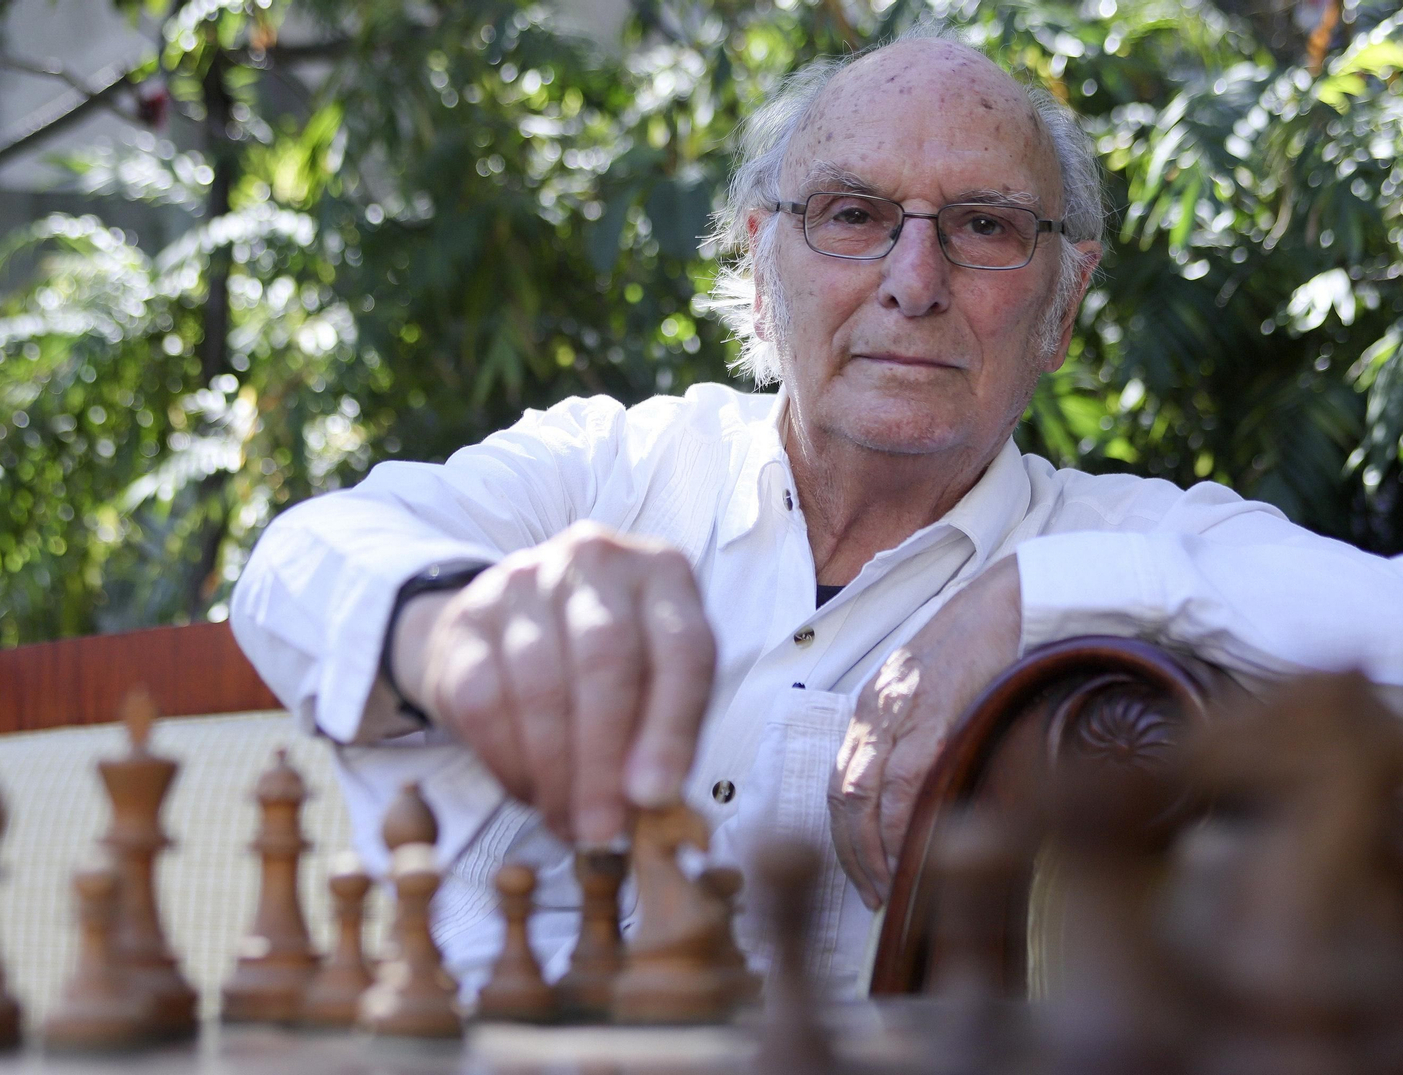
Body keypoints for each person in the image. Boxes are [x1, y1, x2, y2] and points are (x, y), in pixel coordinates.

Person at [230, 26, 1403, 998]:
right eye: (851, 213)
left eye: (984, 226)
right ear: (759, 266)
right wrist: (451, 630)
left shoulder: (1113, 541)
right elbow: (296, 562)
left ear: (1063, 300)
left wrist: (1032, 597)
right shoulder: (610, 469)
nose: (913, 281)